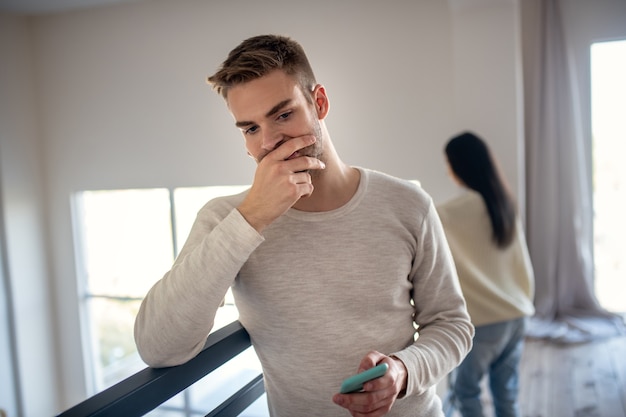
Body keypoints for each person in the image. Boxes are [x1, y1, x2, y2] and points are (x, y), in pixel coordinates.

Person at [134, 34, 473, 417]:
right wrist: (253, 217)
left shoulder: (408, 204)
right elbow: (158, 347)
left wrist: (403, 370)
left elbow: (452, 325)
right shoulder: (226, 219)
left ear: (320, 103)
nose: (269, 141)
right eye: (250, 129)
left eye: (283, 115)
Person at [436, 131, 535, 417]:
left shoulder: (445, 213)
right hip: (515, 316)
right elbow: (521, 263)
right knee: (507, 395)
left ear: (457, 166)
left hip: (481, 324)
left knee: (466, 394)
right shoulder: (503, 204)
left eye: (448, 163)